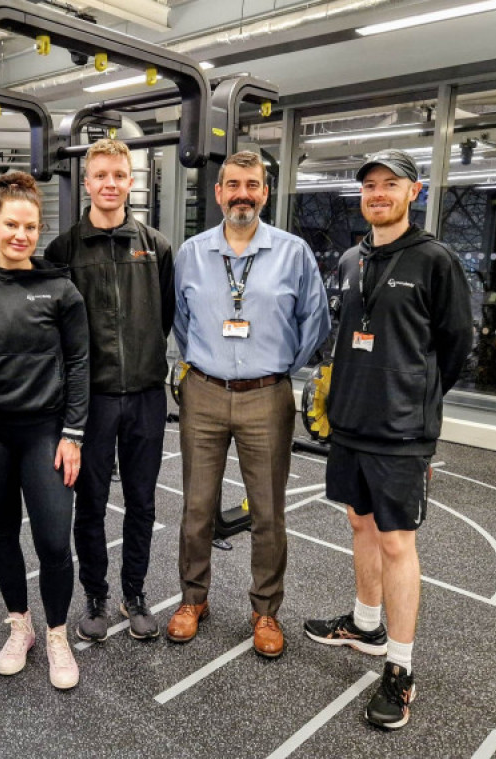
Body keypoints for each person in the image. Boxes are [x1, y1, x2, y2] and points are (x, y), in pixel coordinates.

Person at [303, 149, 473, 730]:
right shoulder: (351, 258)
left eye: (390, 185)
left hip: (401, 432)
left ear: (414, 192)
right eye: (369, 186)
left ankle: (399, 669)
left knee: (398, 543)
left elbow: (455, 347)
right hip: (350, 422)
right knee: (359, 523)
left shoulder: (436, 261)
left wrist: (415, 396)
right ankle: (365, 624)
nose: (378, 194)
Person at [170, 150, 329, 658]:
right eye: (233, 184)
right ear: (218, 193)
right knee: (197, 507)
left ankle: (265, 610)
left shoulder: (293, 252)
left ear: (264, 192)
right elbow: (180, 320)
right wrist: (207, 362)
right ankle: (193, 599)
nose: (243, 193)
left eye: (253, 185)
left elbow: (316, 323)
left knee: (268, 511)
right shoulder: (192, 252)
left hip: (267, 395)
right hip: (204, 394)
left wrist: (279, 368)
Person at [44, 138, 174, 642]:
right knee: (91, 503)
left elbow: (163, 317)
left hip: (144, 396)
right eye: (100, 175)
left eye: (119, 174)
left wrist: (140, 359)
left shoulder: (156, 246)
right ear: (88, 181)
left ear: (130, 180)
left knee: (142, 501)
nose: (110, 184)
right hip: (90, 402)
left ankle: (134, 592)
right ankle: (95, 595)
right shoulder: (63, 251)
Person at [0, 172, 89, 689]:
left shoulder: (60, 290)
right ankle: (21, 625)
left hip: (46, 435)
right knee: (1, 533)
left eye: (31, 227)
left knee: (54, 542)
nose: (21, 235)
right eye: (11, 225)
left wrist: (73, 433)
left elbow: (81, 364)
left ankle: (57, 632)